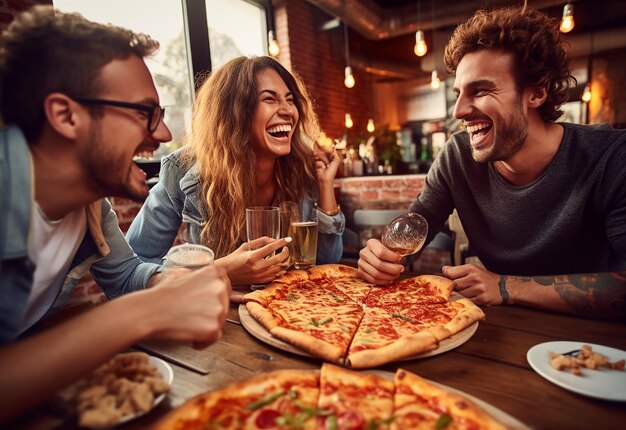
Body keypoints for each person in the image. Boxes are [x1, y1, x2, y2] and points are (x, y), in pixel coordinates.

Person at [0, 6, 230, 422]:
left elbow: (125, 277)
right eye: (146, 112)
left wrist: (170, 282)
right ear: (65, 115)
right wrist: (147, 312)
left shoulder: (90, 208)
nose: (162, 134)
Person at [358, 6, 626, 319]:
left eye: (480, 90)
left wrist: (506, 287)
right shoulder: (457, 157)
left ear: (537, 93)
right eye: (458, 93)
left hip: (586, 342)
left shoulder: (610, 157)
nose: (458, 111)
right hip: (500, 327)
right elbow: (418, 223)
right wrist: (383, 254)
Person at [127, 55, 345, 287]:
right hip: (218, 314)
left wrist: (324, 184)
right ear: (236, 113)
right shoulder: (184, 170)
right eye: (269, 99)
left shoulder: (301, 165)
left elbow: (327, 260)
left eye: (290, 100)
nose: (287, 111)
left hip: (288, 307)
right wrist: (217, 273)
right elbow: (132, 267)